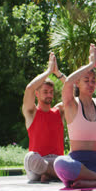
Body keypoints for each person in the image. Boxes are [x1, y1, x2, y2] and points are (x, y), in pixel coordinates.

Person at [53, 44, 96, 188]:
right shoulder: (71, 104)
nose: (90, 84)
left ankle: (93, 180)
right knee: (60, 163)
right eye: (86, 80)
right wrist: (90, 65)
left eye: (93, 81)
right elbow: (68, 82)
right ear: (78, 83)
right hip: (75, 166)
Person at [22, 52, 66, 183]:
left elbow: (75, 91)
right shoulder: (31, 112)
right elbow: (29, 88)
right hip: (38, 163)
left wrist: (58, 73)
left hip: (57, 161)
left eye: (51, 92)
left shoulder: (60, 110)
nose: (49, 95)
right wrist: (48, 71)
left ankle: (49, 173)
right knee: (30, 158)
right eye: (45, 92)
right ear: (37, 94)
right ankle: (56, 174)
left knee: (70, 161)